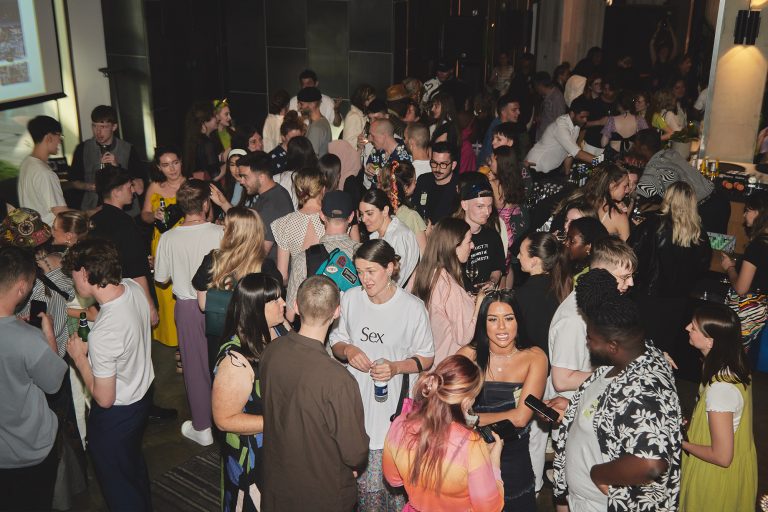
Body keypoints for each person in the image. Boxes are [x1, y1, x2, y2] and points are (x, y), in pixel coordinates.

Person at [550, 268, 682, 512]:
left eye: (590, 338)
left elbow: (651, 464)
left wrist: (598, 474)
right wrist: (573, 410)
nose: (587, 342)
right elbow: (614, 417)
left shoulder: (644, 389)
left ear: (612, 346)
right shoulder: (619, 365)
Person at [330, 240, 434, 511]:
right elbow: (336, 341)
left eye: (371, 271)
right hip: (356, 410)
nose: (364, 279)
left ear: (390, 268)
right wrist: (348, 350)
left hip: (394, 417)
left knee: (398, 496)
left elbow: (426, 357)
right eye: (359, 271)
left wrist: (396, 367)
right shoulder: (350, 298)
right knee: (365, 497)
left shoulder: (412, 307)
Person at [261, 276, 369, 512]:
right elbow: (356, 453)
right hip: (322, 493)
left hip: (277, 482)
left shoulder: (271, 351)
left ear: (296, 306)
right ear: (337, 312)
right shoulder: (338, 380)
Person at [64, 239, 155, 511]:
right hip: (142, 396)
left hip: (117, 415)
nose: (72, 281)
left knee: (119, 487)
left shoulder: (104, 334)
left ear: (84, 273)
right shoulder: (133, 287)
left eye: (72, 275)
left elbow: (104, 399)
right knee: (132, 469)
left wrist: (80, 358)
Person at [458, 289, 548, 511]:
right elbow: (445, 407)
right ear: (483, 323)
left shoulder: (534, 357)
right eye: (492, 319)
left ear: (518, 321)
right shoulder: (468, 356)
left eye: (508, 318)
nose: (501, 327)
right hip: (472, 456)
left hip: (514, 458)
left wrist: (471, 418)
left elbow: (520, 418)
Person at [382, 355, 504, 512]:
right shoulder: (471, 443)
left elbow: (393, 479)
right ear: (466, 401)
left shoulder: (400, 423)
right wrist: (494, 463)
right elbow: (489, 508)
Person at [154, 180, 224, 446]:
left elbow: (161, 278)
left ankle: (203, 427)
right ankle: (227, 416)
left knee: (194, 368)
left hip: (186, 306)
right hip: (220, 302)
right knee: (224, 362)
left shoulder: (168, 237)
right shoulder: (221, 232)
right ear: (206, 204)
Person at [211, 273, 288, 512]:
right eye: (275, 300)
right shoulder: (235, 362)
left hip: (278, 445)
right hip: (252, 454)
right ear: (256, 308)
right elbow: (224, 420)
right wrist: (279, 422)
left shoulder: (278, 328)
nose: (283, 303)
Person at [0, 246, 68, 512]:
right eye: (30, 283)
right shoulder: (28, 339)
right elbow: (53, 383)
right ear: (20, 287)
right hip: (27, 450)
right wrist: (48, 335)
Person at [680, 304, 757, 512]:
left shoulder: (721, 388)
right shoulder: (735, 367)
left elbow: (722, 457)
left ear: (710, 341)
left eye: (694, 327)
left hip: (714, 479)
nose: (687, 328)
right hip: (735, 467)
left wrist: (680, 443)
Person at [630, 182, 711, 366]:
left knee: (641, 344)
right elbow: (702, 268)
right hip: (678, 299)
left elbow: (630, 254)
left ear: (668, 198)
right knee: (665, 346)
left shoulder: (652, 224)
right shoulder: (699, 233)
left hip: (648, 296)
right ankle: (661, 379)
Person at [192, 207, 282, 364]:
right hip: (255, 339)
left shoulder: (213, 261)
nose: (223, 229)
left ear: (232, 233)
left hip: (221, 337)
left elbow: (203, 305)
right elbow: (276, 308)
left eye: (226, 227)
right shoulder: (266, 267)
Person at [92, 166, 158, 327]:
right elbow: (136, 269)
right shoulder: (125, 223)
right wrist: (149, 306)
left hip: (104, 297)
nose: (133, 191)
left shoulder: (94, 221)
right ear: (116, 192)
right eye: (129, 187)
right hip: (129, 297)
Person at [412, 218, 483, 364]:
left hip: (424, 362)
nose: (473, 246)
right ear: (454, 247)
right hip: (446, 365)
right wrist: (480, 303)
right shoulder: (450, 288)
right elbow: (464, 337)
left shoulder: (421, 272)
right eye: (469, 241)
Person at [284, 190, 359, 322]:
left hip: (317, 331)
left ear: (322, 216)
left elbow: (291, 315)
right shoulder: (367, 253)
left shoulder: (304, 258)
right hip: (358, 331)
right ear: (351, 217)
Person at [141, 146, 187, 349]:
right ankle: (172, 340)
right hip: (161, 243)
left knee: (184, 290)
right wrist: (154, 215)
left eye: (175, 163)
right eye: (166, 165)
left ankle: (187, 338)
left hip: (185, 242)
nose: (172, 169)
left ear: (181, 162)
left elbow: (207, 214)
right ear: (159, 167)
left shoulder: (190, 185)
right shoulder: (155, 187)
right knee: (165, 291)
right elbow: (144, 215)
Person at [210, 152, 294, 262]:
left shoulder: (273, 203)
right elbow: (248, 224)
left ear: (261, 177)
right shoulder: (269, 194)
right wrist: (223, 203)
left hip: (266, 268)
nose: (241, 181)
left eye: (245, 177)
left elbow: (261, 251)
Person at [69, 105, 147, 212]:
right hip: (92, 209)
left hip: (125, 212)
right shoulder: (83, 149)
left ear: (114, 127)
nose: (98, 132)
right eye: (94, 126)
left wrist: (118, 167)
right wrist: (91, 187)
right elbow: (73, 182)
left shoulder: (128, 149)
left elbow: (140, 189)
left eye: (103, 127)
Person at [720, 191, 768, 349]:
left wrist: (730, 267)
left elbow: (741, 288)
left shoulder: (756, 246)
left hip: (747, 311)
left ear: (758, 212)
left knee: (732, 355)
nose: (744, 215)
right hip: (761, 311)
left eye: (747, 210)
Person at [516, 232, 570, 356]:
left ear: (534, 261)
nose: (518, 256)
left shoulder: (522, 295)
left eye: (521, 253)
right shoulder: (561, 285)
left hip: (534, 360)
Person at [272, 167, 326, 284]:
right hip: (329, 288)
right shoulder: (333, 220)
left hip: (299, 289)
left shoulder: (284, 223)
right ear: (323, 189)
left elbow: (283, 275)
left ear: (297, 190)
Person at [359, 189, 420, 287]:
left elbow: (395, 281)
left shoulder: (399, 236)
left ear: (385, 211)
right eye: (362, 214)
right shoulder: (376, 234)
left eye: (369, 213)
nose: (363, 219)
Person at [488, 146, 528, 286]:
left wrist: (491, 182)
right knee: (507, 265)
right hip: (512, 227)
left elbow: (499, 204)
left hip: (502, 230)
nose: (489, 163)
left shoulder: (498, 183)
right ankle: (508, 293)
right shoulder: (514, 179)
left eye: (492, 160)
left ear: (501, 163)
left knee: (501, 266)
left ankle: (502, 293)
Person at [17, 115, 68, 226]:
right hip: (50, 232)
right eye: (59, 136)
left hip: (33, 231)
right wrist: (87, 213)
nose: (60, 141)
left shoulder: (26, 164)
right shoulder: (45, 173)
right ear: (49, 137)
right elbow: (61, 213)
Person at [456, 179, 505, 291]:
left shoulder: (492, 235)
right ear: (464, 205)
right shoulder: (452, 235)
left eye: (489, 206)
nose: (487, 212)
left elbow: (497, 267)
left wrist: (492, 282)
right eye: (480, 206)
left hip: (484, 296)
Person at [525, 97, 596, 175]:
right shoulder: (561, 126)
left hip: (549, 168)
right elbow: (577, 153)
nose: (585, 120)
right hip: (535, 166)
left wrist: (567, 173)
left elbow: (570, 152)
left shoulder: (577, 125)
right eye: (582, 117)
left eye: (586, 117)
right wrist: (600, 161)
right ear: (572, 114)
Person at [377, 161, 427, 253]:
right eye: (414, 181)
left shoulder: (379, 210)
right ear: (405, 188)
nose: (416, 183)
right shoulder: (412, 216)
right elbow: (423, 251)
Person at [411, 141, 460, 224]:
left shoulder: (458, 188)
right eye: (434, 163)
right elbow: (414, 209)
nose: (437, 169)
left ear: (453, 165)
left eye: (443, 164)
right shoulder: (423, 180)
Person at [600, 90, 649, 159]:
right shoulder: (640, 120)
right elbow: (646, 140)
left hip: (610, 156)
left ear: (619, 105)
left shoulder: (612, 120)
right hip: (629, 158)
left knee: (593, 162)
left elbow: (603, 143)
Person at [479, 94, 522, 166]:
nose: (518, 112)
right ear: (503, 112)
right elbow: (488, 158)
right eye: (514, 110)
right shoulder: (496, 130)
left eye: (518, 109)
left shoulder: (504, 126)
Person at [563, 216, 611, 281]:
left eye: (572, 241)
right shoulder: (567, 263)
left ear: (588, 247)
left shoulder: (590, 278)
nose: (566, 243)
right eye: (567, 238)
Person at [183, 100, 220, 181]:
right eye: (214, 115)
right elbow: (215, 175)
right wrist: (228, 164)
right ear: (203, 121)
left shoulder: (193, 141)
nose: (218, 118)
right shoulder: (206, 144)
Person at [298, 86, 331, 157]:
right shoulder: (321, 121)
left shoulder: (316, 128)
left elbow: (311, 158)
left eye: (301, 104)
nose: (299, 108)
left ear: (312, 104)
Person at [534, 72, 567, 142]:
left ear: (540, 85)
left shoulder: (556, 98)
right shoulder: (547, 96)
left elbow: (560, 122)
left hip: (549, 141)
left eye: (535, 86)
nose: (535, 89)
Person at [344, 83, 376, 150]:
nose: (373, 102)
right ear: (362, 100)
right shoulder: (353, 116)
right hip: (356, 154)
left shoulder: (363, 114)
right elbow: (348, 143)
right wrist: (365, 141)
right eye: (370, 99)